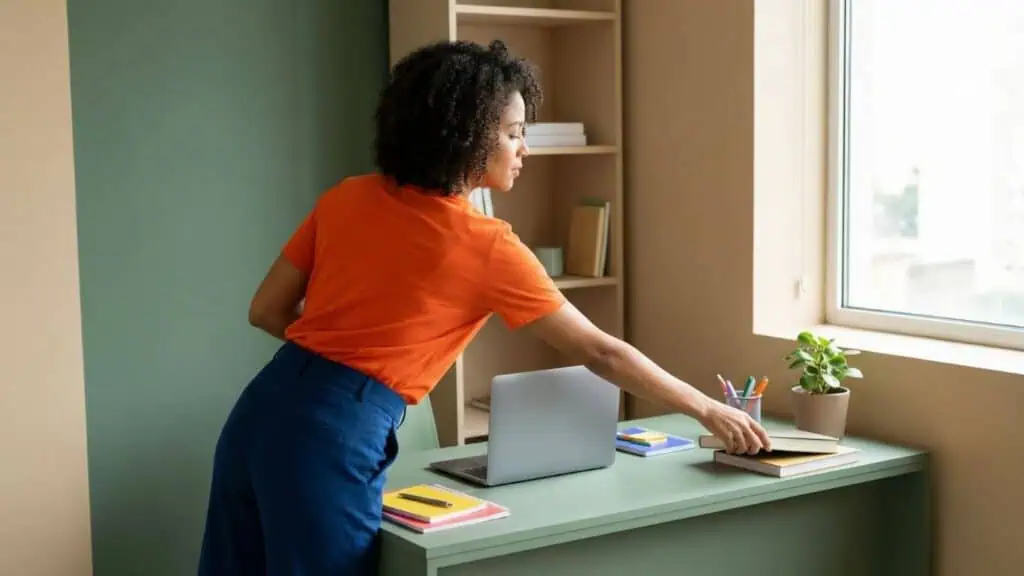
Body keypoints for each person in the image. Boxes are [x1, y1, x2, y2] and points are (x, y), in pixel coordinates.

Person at [197, 38, 770, 575]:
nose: (525, 149)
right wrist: (708, 410)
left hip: (261, 408)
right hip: (336, 431)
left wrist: (334, 362)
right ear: (466, 134)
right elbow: (600, 351)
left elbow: (266, 310)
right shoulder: (485, 244)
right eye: (515, 132)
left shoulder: (348, 196)